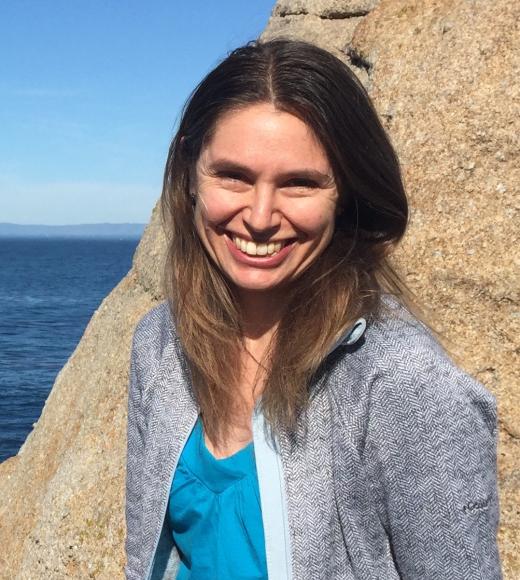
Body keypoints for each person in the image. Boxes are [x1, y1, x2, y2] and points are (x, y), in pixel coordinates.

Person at [124, 39, 501, 580]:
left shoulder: (401, 385)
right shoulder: (161, 342)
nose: (258, 216)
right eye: (233, 175)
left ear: (345, 192)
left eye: (299, 183)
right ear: (190, 173)